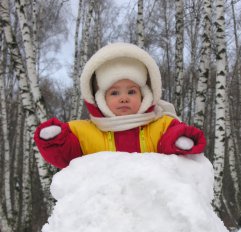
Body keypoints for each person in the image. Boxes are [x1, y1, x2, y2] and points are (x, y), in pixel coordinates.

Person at [34, 42, 206, 169]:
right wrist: (55, 141)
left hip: (149, 207)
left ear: (145, 95)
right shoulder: (84, 131)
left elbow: (170, 136)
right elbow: (65, 155)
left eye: (131, 92)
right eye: (115, 93)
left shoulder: (160, 125)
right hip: (104, 208)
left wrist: (178, 141)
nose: (124, 98)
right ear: (100, 99)